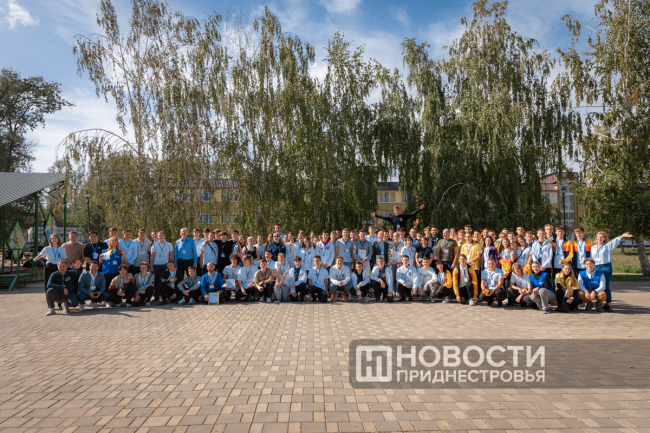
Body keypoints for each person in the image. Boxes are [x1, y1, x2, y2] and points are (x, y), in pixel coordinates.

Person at [590, 231, 632, 312]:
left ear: (604, 238)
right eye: (598, 237)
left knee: (605, 286)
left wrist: (622, 236)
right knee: (597, 285)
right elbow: (591, 258)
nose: (599, 239)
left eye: (601, 237)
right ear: (596, 238)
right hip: (596, 267)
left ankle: (609, 304)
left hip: (606, 267)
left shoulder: (607, 246)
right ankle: (599, 303)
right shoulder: (593, 248)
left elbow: (615, 241)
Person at [150, 231, 174, 302]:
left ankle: (167, 296)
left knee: (166, 281)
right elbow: (152, 256)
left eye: (162, 235)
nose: (160, 237)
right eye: (159, 235)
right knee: (157, 281)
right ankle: (156, 297)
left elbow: (171, 255)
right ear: (157, 236)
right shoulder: (154, 245)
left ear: (164, 236)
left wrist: (172, 265)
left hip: (165, 265)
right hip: (156, 265)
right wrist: (151, 266)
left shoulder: (169, 245)